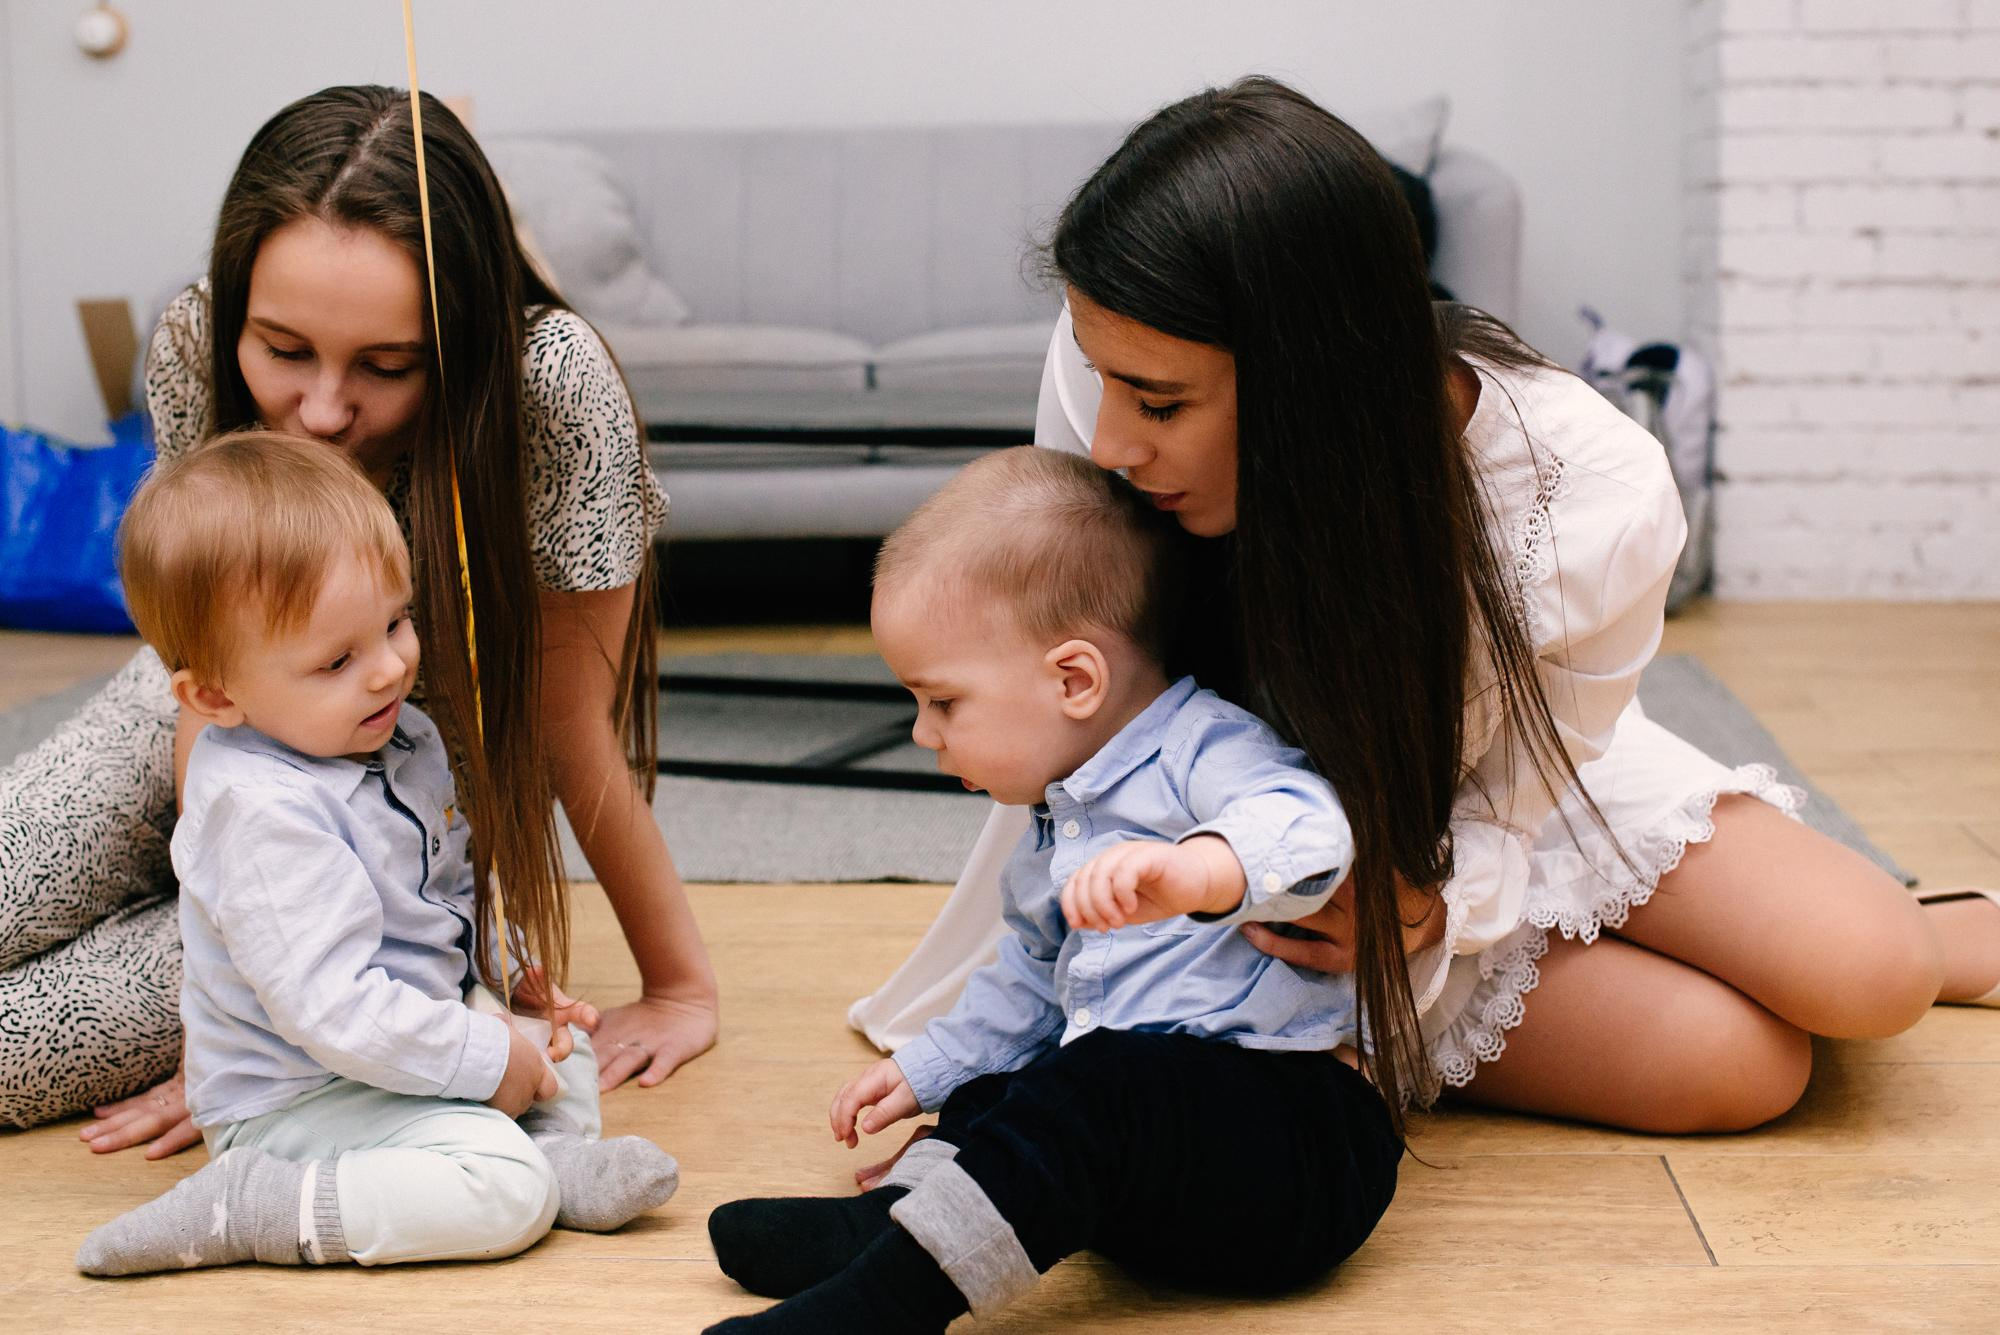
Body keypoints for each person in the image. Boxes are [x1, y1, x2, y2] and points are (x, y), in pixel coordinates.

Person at [849, 76, 2000, 1142]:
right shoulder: (1122, 343)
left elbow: (1519, 787)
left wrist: (1429, 895)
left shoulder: (1582, 491)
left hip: (1493, 785)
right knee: (1742, 1070)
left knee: (1876, 972)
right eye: (1108, 387)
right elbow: (1090, 697)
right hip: (1254, 847)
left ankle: (1921, 925)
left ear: (1314, 374)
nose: (1107, 446)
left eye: (1155, 402)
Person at [0, 85, 716, 1148]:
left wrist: (679, 987)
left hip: (388, 825)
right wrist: (223, 912)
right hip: (207, 710)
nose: (325, 411)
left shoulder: (551, 384)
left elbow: (568, 724)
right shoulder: (195, 335)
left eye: (387, 368)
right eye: (284, 352)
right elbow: (199, 639)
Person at [702, 447, 1396, 1333]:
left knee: (1091, 1084)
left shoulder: (1201, 749)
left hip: (1295, 1147)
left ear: (1075, 679)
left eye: (942, 702)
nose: (922, 732)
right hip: (1146, 1166)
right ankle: (891, 1228)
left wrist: (1200, 869)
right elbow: (1030, 980)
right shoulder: (1054, 824)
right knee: (1017, 1082)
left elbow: (1311, 826)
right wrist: (928, 1068)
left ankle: (891, 1301)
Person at [76, 432, 679, 1276]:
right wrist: (483, 1054)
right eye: (338, 658)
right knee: (501, 1188)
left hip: (392, 1039)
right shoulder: (260, 814)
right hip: (304, 1097)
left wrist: (508, 979)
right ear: (215, 693)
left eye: (396, 621)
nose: (392, 666)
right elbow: (335, 1012)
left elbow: (449, 882)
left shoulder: (389, 734)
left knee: (562, 1056)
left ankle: (553, 1156)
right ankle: (250, 1206)